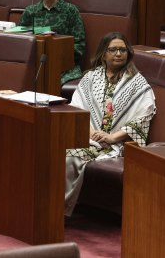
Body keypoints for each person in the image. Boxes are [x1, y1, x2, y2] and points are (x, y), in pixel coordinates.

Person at [65, 32, 156, 215]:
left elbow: (143, 117)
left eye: (122, 50)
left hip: (116, 144)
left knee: (70, 157)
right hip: (88, 136)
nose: (118, 54)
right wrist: (90, 131)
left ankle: (60, 211)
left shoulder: (137, 82)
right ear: (103, 54)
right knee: (53, 152)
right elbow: (77, 108)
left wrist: (112, 136)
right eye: (113, 50)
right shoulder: (91, 78)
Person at [18, 0, 85, 85]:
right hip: (36, 64)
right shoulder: (30, 11)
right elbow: (21, 41)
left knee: (49, 82)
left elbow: (79, 46)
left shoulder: (71, 11)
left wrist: (56, 58)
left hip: (64, 67)